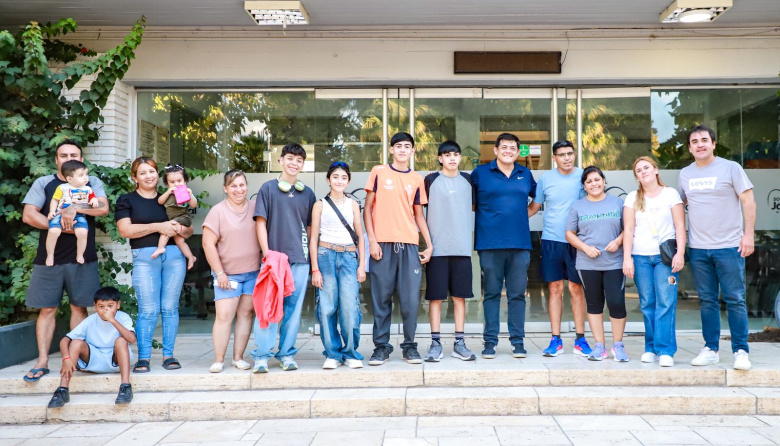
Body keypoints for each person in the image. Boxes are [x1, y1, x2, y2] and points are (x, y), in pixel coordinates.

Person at [21, 139, 109, 382]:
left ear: (81, 159)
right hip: (49, 259)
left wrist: (75, 210)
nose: (68, 158)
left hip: (83, 258)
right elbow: (29, 214)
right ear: (56, 160)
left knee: (78, 307)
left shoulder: (91, 182)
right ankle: (42, 361)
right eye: (63, 155)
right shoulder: (45, 183)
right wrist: (60, 224)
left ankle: (74, 357)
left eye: (74, 154)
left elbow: (102, 208)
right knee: (47, 309)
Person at [679, 124, 756, 371]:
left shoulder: (731, 168)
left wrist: (748, 235)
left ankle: (741, 350)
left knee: (735, 299)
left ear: (713, 143)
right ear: (690, 148)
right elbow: (681, 205)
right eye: (694, 141)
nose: (700, 144)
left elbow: (749, 201)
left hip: (729, 246)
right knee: (707, 300)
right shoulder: (685, 174)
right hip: (699, 248)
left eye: (704, 140)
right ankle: (711, 348)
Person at [115, 156, 192, 373]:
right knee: (148, 310)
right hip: (145, 258)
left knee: (169, 307)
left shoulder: (171, 195)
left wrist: (177, 229)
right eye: (143, 173)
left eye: (152, 171)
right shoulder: (127, 200)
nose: (149, 176)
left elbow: (188, 229)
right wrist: (160, 226)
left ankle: (169, 355)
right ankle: (144, 358)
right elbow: (125, 231)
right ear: (134, 177)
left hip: (174, 256)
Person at [364, 132, 433, 365]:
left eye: (407, 146)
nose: (403, 150)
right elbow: (367, 209)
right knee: (381, 299)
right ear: (391, 149)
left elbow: (418, 215)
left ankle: (410, 346)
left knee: (410, 300)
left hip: (409, 245)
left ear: (413, 151)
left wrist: (429, 244)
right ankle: (381, 347)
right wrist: (372, 240)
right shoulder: (378, 172)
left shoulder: (417, 179)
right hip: (382, 245)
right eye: (399, 146)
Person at [251, 143, 316, 373]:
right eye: (290, 158)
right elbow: (261, 223)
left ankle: (286, 353)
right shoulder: (268, 189)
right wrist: (267, 253)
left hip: (300, 259)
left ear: (303, 164)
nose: (294, 163)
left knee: (293, 309)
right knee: (268, 307)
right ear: (280, 160)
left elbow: (310, 228)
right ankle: (262, 355)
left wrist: (310, 258)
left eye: (299, 160)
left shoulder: (307, 193)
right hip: (274, 258)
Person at [472, 132, 537, 359]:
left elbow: (536, 200)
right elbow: (471, 204)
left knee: (517, 294)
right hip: (489, 244)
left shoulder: (525, 173)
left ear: (517, 152)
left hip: (520, 244)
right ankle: (490, 342)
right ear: (496, 150)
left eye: (513, 148)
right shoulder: (480, 173)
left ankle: (517, 342)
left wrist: (521, 216)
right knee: (491, 294)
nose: (508, 151)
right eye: (504, 147)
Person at [527, 140, 592, 357]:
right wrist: (507, 219)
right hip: (552, 241)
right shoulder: (546, 179)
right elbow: (534, 208)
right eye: (562, 154)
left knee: (576, 289)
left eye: (570, 154)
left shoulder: (584, 177)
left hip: (577, 241)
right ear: (554, 158)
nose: (567, 158)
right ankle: (556, 340)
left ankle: (580, 340)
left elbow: (592, 204)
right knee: (554, 288)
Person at [623, 157, 686, 367]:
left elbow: (679, 226)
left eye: (646, 167)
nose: (643, 171)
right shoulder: (632, 197)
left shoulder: (671, 194)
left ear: (656, 169)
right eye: (639, 170)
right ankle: (650, 347)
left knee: (666, 302)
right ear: (636, 176)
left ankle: (665, 350)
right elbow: (629, 230)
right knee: (647, 303)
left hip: (665, 258)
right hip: (640, 257)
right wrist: (627, 258)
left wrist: (680, 254)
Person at [565, 166, 628, 362]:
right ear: (584, 186)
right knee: (594, 304)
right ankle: (599, 346)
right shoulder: (578, 206)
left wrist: (618, 241)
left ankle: (618, 345)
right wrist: (585, 248)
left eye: (597, 180)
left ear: (604, 181)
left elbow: (629, 228)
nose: (594, 184)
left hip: (614, 262)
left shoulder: (618, 203)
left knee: (616, 302)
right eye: (589, 181)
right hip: (588, 263)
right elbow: (569, 234)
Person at [423, 140, 477, 362]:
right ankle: (435, 343)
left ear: (460, 157)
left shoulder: (468, 180)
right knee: (435, 298)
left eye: (456, 154)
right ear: (440, 158)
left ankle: (459, 343)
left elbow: (472, 207)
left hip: (462, 249)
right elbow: (420, 210)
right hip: (437, 249)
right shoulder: (430, 180)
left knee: (459, 297)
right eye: (447, 155)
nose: (452, 158)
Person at [202, 169, 260, 373]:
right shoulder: (218, 211)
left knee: (246, 314)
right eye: (233, 186)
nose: (238, 189)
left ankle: (238, 357)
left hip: (253, 273)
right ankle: (219, 359)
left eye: (242, 184)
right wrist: (219, 273)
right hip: (227, 275)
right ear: (226, 188)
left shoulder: (255, 207)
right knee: (224, 316)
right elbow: (208, 245)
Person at [310, 161, 367, 369]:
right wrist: (315, 268)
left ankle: (350, 352)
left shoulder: (353, 204)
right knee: (327, 307)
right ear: (328, 180)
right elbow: (314, 237)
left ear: (348, 181)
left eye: (344, 177)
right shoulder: (319, 205)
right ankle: (332, 353)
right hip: (325, 256)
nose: (339, 181)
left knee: (350, 307)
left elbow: (360, 236)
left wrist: (362, 265)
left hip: (349, 257)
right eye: (335, 177)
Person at [47, 286, 136, 408]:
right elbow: (65, 340)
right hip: (95, 359)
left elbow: (131, 339)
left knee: (121, 340)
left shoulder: (123, 317)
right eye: (101, 307)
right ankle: (62, 390)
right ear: (95, 306)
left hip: (117, 360)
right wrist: (66, 358)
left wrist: (113, 321)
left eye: (110, 306)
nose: (106, 310)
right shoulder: (90, 320)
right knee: (76, 342)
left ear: (118, 305)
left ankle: (125, 387)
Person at [45, 160, 99, 266]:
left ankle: (80, 254)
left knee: (83, 232)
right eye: (81, 175)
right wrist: (52, 211)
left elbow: (92, 197)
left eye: (86, 174)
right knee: (53, 232)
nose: (85, 178)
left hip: (79, 215)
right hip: (60, 213)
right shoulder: (62, 187)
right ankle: (50, 255)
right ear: (69, 179)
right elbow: (55, 200)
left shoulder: (87, 188)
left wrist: (94, 200)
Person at [154, 164, 198, 270]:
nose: (176, 184)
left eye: (179, 181)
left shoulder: (185, 192)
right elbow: (160, 201)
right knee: (179, 241)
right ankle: (191, 257)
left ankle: (160, 248)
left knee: (168, 227)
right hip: (173, 219)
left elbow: (194, 205)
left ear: (185, 181)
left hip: (183, 217)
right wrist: (168, 192)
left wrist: (190, 195)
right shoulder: (169, 193)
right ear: (167, 184)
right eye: (172, 182)